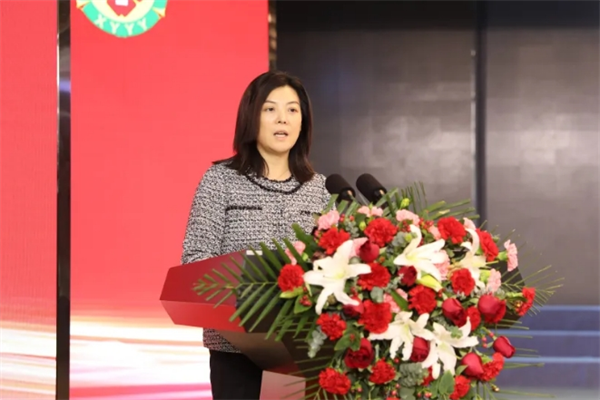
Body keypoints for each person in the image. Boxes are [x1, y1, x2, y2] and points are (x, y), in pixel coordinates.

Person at [180, 71, 331, 400]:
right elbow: (196, 260)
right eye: (270, 109)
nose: (282, 119)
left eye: (292, 110)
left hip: (301, 351)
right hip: (236, 348)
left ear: (303, 122)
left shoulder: (320, 189)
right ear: (251, 117)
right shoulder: (220, 180)